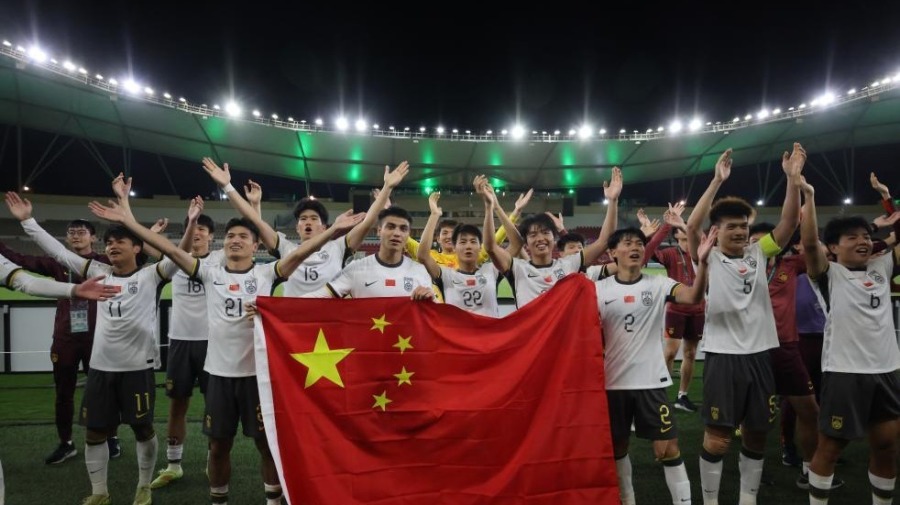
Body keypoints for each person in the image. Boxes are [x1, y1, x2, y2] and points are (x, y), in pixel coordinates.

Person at [88, 189, 362, 505]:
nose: (235, 240)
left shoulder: (266, 273)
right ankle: (218, 500)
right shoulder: (208, 273)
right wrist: (128, 221)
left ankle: (273, 501)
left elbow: (300, 254)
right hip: (218, 376)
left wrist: (333, 231)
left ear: (256, 245)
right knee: (219, 446)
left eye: (243, 236)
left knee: (266, 445)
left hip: (256, 377)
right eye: (230, 235)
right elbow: (170, 249)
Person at [5, 190, 172, 505]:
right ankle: (99, 492)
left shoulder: (152, 276)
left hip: (137, 369)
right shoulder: (97, 272)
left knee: (142, 429)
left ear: (137, 247)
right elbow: (58, 252)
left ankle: (144, 486)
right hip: (100, 370)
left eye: (119, 241)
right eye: (108, 242)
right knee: (94, 433)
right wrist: (28, 222)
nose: (112, 246)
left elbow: (177, 254)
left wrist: (131, 219)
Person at [685, 144, 804, 505]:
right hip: (723, 356)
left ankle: (747, 499)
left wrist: (792, 179)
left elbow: (789, 224)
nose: (739, 231)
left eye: (744, 226)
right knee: (718, 437)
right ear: (717, 231)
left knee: (756, 434)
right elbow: (692, 225)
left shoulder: (758, 252)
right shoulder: (707, 256)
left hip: (760, 355)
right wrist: (717, 181)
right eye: (732, 226)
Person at [798, 175, 900, 505]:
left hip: (886, 371)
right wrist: (809, 196)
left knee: (887, 445)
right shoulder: (828, 274)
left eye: (866, 236)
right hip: (845, 373)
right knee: (830, 447)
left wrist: (888, 200)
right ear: (833, 247)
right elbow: (809, 243)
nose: (863, 241)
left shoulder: (882, 266)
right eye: (852, 237)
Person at [598, 225, 716, 505]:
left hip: (651, 382)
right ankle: (627, 499)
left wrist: (702, 264)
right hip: (612, 383)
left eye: (639, 243)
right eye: (628, 243)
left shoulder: (659, 284)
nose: (636, 247)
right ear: (613, 252)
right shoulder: (597, 289)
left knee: (668, 449)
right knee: (617, 447)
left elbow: (693, 297)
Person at [0, 218, 126, 463]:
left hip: (98, 337)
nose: (76, 235)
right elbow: (20, 259)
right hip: (65, 338)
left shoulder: (104, 262)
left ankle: (111, 437)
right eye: (71, 232)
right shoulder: (57, 263)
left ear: (93, 237)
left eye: (81, 232)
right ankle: (66, 443)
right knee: (63, 393)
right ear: (67, 238)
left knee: (104, 391)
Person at [201, 157, 407, 296]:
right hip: (292, 328)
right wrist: (228, 186)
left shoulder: (337, 247)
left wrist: (387, 188)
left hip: (328, 325)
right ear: (297, 227)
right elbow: (255, 223)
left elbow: (368, 222)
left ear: (324, 227)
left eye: (314, 218)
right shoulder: (285, 248)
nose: (308, 222)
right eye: (303, 219)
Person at [149, 196, 223, 489]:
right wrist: (153, 233)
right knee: (177, 404)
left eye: (204, 229)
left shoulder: (219, 259)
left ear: (212, 237)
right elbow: (148, 247)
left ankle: (213, 460)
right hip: (180, 341)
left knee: (213, 405)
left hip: (212, 342)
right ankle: (173, 464)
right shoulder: (175, 259)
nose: (199, 233)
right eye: (195, 228)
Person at [486, 167, 622, 309]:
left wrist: (613, 201)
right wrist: (495, 207)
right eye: (533, 235)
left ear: (554, 238)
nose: (540, 238)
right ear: (526, 242)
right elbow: (490, 248)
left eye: (545, 232)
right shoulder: (517, 268)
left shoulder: (569, 265)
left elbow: (604, 241)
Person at [308, 205, 434, 301]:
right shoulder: (356, 269)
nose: (397, 233)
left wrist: (430, 300)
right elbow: (317, 298)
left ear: (408, 235)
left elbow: (435, 314)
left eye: (403, 229)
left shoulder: (420, 271)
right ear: (379, 231)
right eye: (390, 227)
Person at [416, 184, 503, 317]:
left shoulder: (490, 270)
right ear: (455, 246)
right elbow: (422, 254)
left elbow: (497, 244)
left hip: (487, 330)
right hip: (450, 325)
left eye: (473, 241)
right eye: (463, 241)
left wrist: (491, 208)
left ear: (480, 247)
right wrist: (434, 215)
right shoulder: (445, 274)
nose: (468, 246)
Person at [405, 188, 532, 269]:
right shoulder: (429, 256)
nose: (449, 236)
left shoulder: (470, 255)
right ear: (438, 238)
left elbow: (495, 240)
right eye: (445, 233)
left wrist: (515, 213)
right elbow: (404, 238)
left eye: (452, 233)